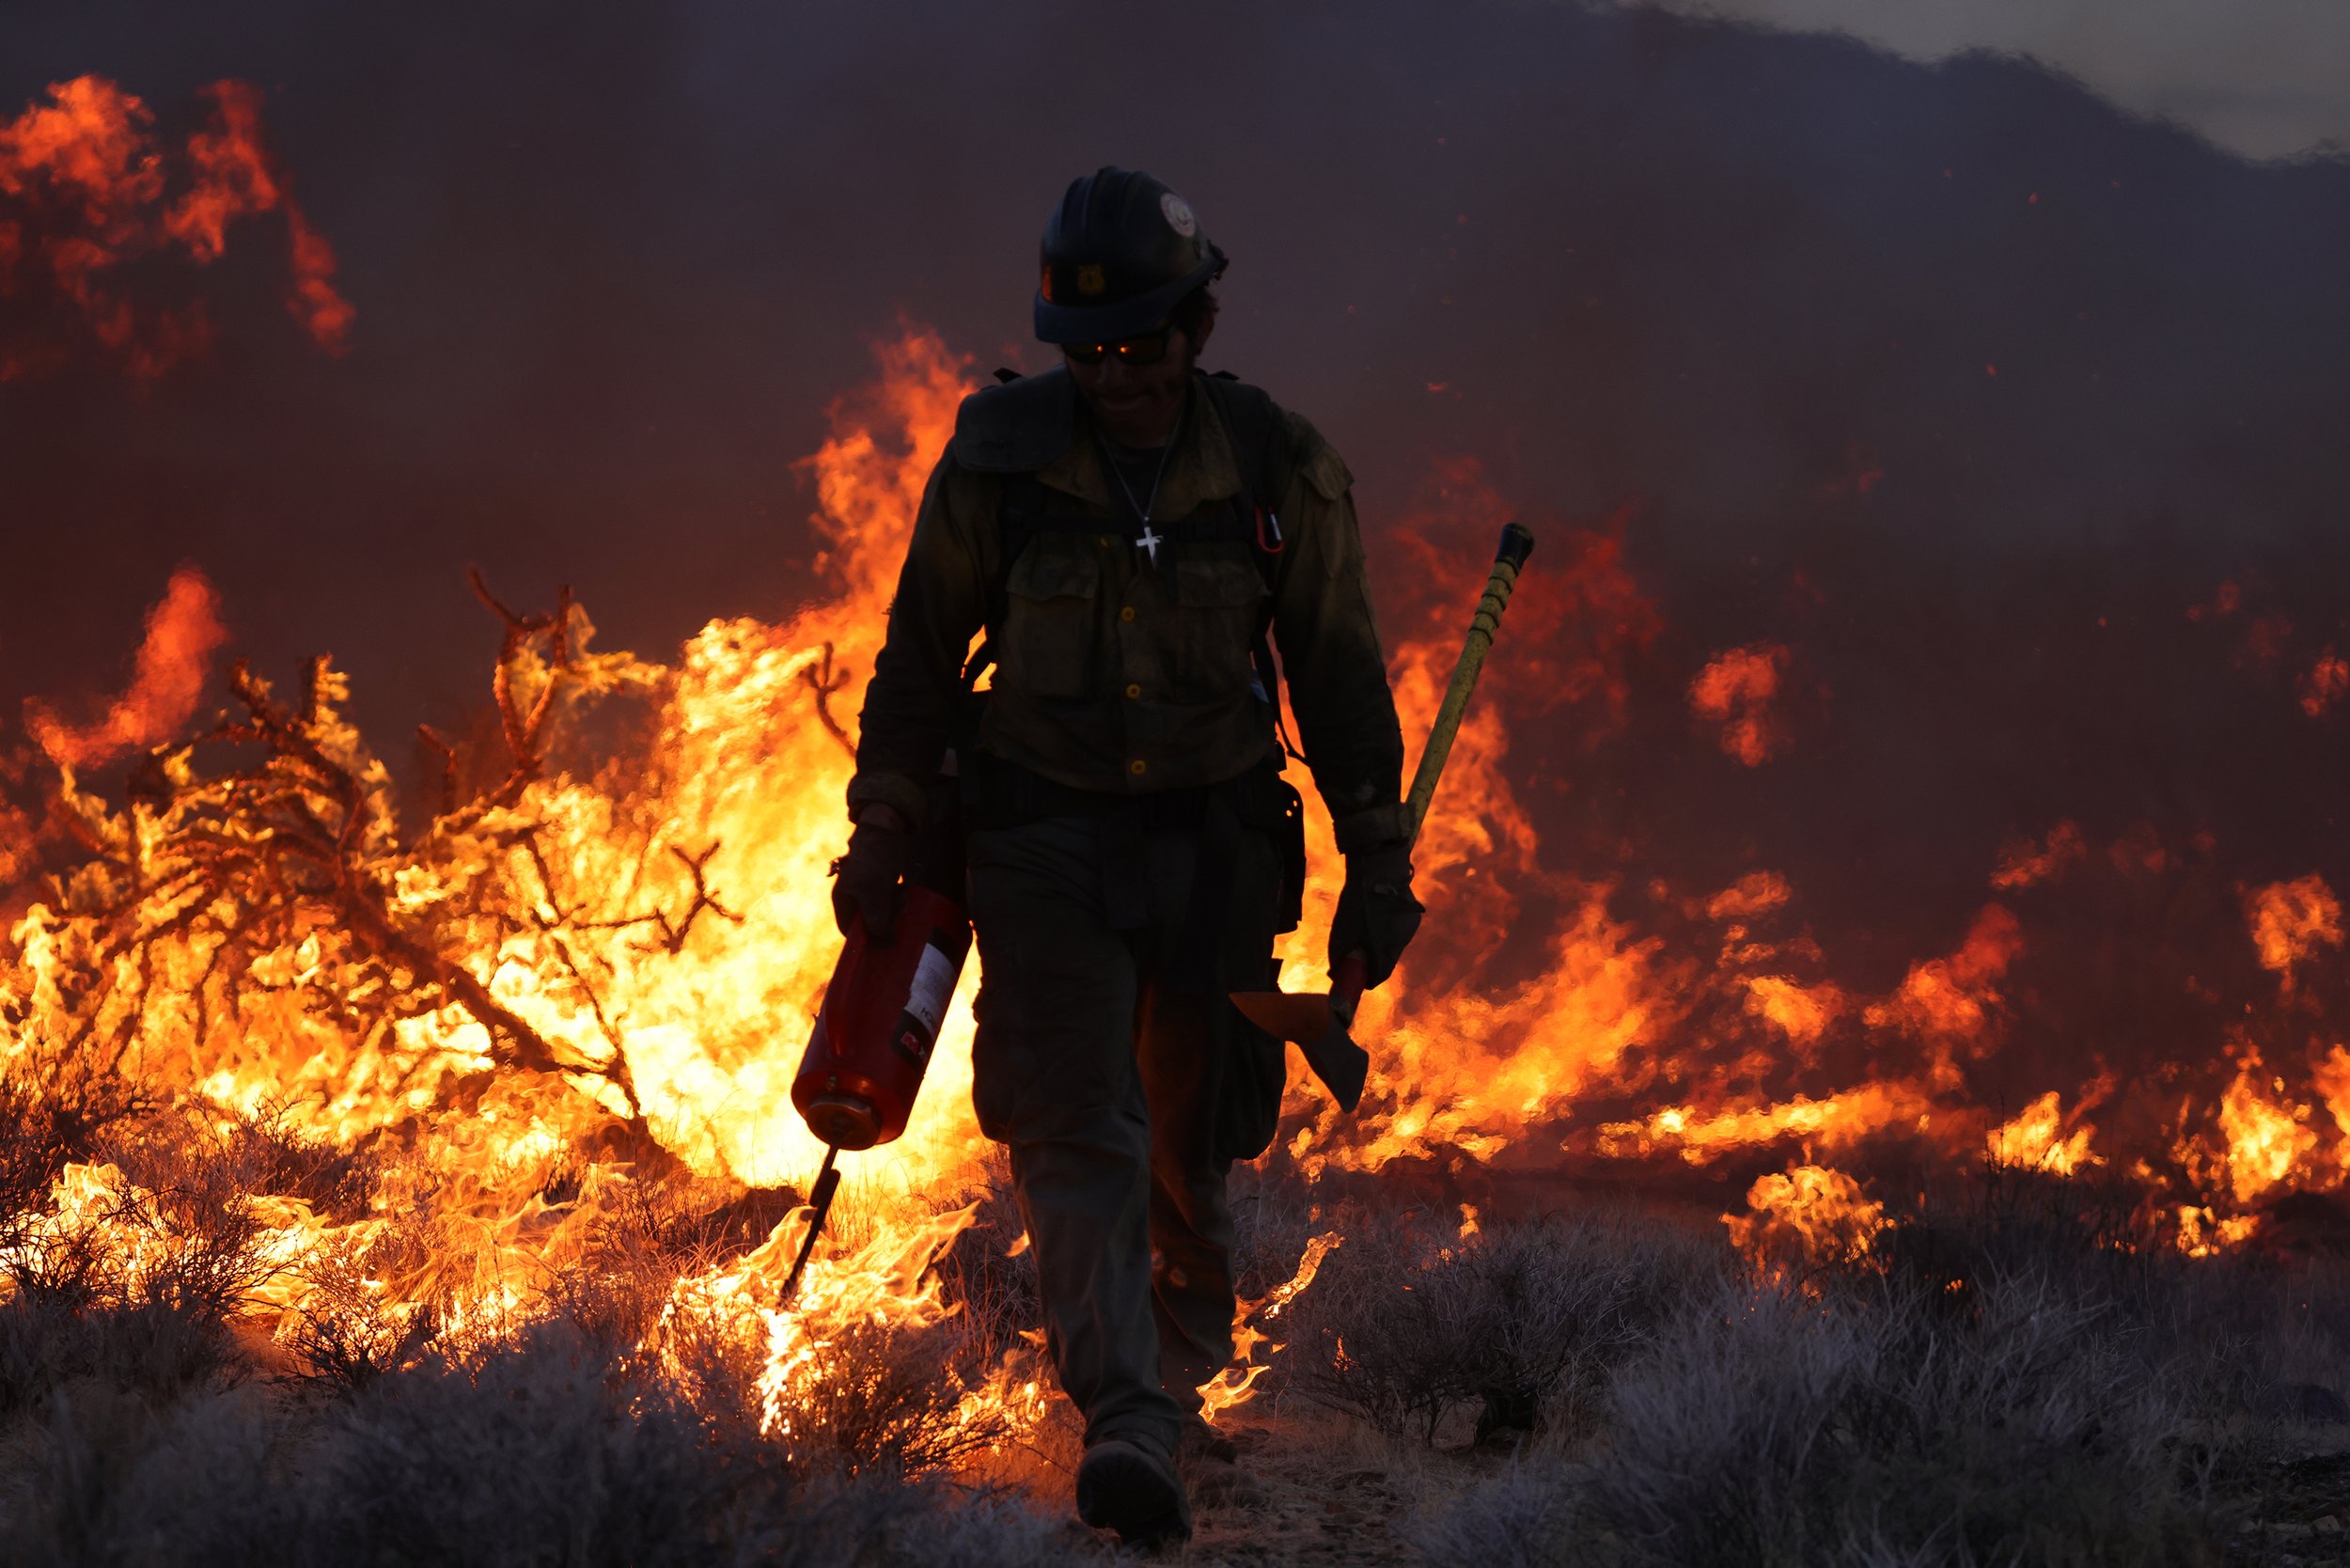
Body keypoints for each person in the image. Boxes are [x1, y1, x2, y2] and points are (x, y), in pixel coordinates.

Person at [833, 166, 1420, 1546]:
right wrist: (881, 826)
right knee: (1073, 1123)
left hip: (1212, 849)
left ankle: (1171, 1387)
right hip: (1039, 840)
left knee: (1189, 1142)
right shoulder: (996, 464)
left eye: (1142, 346)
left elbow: (1339, 676)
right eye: (1088, 352)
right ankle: (1125, 1417)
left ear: (1196, 326)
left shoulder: (1277, 465)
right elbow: (917, 665)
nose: (1118, 376)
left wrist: (1377, 861)